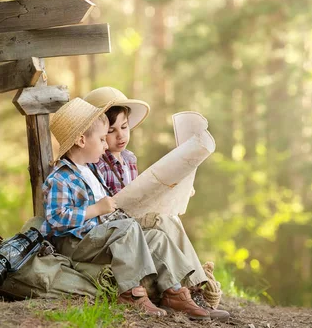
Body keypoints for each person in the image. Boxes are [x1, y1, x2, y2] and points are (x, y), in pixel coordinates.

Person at [40, 97, 209, 320]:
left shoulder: (90, 171)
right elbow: (57, 220)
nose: (105, 145)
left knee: (157, 238)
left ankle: (174, 291)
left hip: (101, 235)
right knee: (128, 228)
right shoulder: (60, 178)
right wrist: (96, 209)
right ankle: (132, 293)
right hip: (77, 242)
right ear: (81, 140)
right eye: (102, 139)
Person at [83, 87, 230, 321]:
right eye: (110, 132)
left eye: (124, 127)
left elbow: (141, 191)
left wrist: (172, 191)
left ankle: (191, 289)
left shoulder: (129, 158)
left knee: (171, 217)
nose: (120, 136)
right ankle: (186, 289)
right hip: (118, 223)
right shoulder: (94, 161)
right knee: (162, 221)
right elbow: (112, 201)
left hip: (135, 215)